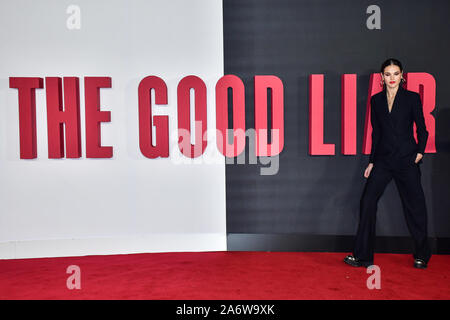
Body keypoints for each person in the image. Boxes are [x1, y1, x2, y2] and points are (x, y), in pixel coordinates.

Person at [344, 58, 431, 269]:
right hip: (383, 160)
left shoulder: (411, 98)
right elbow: (377, 134)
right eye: (388, 74)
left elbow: (422, 128)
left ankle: (421, 254)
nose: (392, 78)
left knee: (415, 207)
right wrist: (372, 162)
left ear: (403, 75)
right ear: (382, 78)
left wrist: (419, 152)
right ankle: (362, 256)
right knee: (367, 203)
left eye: (395, 73)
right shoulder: (376, 101)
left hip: (406, 160)